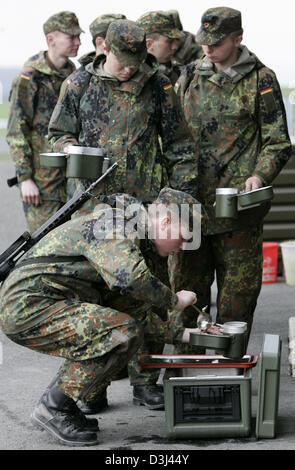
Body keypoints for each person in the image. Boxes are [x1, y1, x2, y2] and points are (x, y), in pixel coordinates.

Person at [48, 19, 198, 412]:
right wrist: (71, 150)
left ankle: (145, 378)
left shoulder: (159, 84)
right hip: (93, 213)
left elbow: (181, 147)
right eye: (123, 60)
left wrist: (170, 202)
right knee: (89, 297)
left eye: (137, 60)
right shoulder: (79, 84)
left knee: (146, 293)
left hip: (145, 212)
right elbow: (57, 134)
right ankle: (88, 387)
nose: (131, 68)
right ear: (105, 49)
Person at [0, 188, 215, 447]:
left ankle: (62, 404)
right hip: (28, 304)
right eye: (182, 238)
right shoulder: (117, 223)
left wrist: (184, 334)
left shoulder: (133, 237)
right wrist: (174, 300)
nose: (181, 248)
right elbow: (132, 278)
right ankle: (54, 406)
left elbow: (135, 311)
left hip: (44, 303)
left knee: (124, 329)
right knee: (120, 334)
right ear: (167, 221)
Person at [170, 6, 292, 350]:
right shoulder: (189, 75)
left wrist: (259, 175)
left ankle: (228, 367)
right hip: (193, 209)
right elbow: (172, 133)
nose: (208, 48)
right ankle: (186, 369)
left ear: (238, 38)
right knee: (187, 293)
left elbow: (277, 141)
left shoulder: (260, 79)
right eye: (204, 42)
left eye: (218, 43)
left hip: (238, 211)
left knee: (237, 296)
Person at [6, 11, 83, 233]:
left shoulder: (75, 77)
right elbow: (16, 131)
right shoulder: (29, 79)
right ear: (51, 39)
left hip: (71, 183)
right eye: (72, 37)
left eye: (79, 37)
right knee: (43, 248)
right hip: (42, 185)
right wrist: (25, 179)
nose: (78, 42)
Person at [136, 10, 184, 85]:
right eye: (169, 41)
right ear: (148, 44)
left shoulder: (180, 72)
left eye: (175, 40)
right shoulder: (129, 75)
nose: (175, 47)